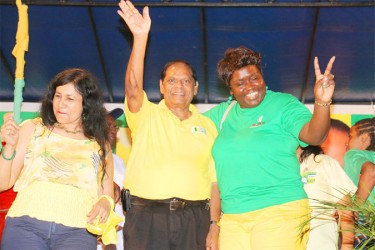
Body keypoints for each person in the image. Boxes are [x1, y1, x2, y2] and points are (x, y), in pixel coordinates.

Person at [204, 46, 336, 249]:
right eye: (240, 83)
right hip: (232, 217)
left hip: (280, 209)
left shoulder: (283, 104)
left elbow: (314, 135)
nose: (250, 86)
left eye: (254, 78)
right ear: (230, 90)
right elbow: (185, 129)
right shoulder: (222, 115)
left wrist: (322, 102)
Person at [117, 1, 220, 250]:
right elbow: (132, 88)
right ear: (161, 86)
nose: (179, 86)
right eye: (172, 80)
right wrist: (140, 38)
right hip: (146, 217)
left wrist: (214, 224)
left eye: (186, 81)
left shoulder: (209, 126)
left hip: (195, 219)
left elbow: (215, 181)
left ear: (195, 88)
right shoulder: (146, 113)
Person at [0, 68, 114, 250]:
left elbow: (107, 195)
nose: (61, 104)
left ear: (86, 104)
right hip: (25, 226)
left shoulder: (100, 145)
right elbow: (2, 183)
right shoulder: (33, 129)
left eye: (70, 99)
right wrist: (10, 146)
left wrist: (105, 203)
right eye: (58, 96)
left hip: (78, 232)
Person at [298, 145, 357, 250]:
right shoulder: (277, 168)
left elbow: (345, 208)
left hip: (320, 238)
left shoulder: (323, 162)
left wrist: (347, 246)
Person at [343, 117, 375, 248]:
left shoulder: (353, 154)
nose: (346, 143)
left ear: (364, 138)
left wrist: (354, 209)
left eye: (350, 136)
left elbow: (371, 172)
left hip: (365, 224)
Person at [98, 109, 126, 250]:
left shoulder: (119, 161)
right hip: (96, 236)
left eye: (114, 127)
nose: (113, 130)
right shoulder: (88, 156)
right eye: (107, 125)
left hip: (120, 235)